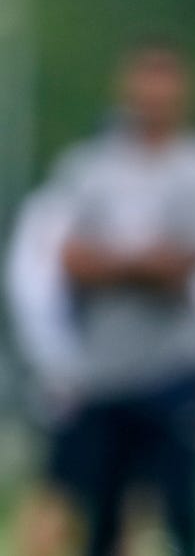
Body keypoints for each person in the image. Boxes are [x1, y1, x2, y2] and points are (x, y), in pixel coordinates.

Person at [50, 42, 195, 556]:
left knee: (182, 509)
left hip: (177, 363)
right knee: (102, 511)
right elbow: (69, 258)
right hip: (104, 367)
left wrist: (118, 263)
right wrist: (141, 262)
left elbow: (190, 264)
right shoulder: (90, 166)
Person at [7, 179, 92, 556]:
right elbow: (36, 290)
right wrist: (57, 360)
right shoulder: (57, 209)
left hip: (116, 372)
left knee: (125, 484)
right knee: (59, 478)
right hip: (70, 372)